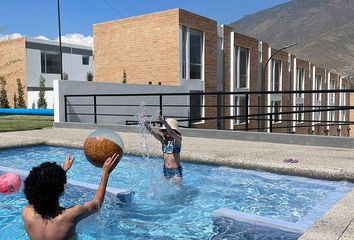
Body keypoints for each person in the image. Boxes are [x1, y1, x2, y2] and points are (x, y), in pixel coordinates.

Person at [22, 153, 120, 240]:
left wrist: (63, 171)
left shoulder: (26, 212)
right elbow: (97, 203)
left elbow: (42, 190)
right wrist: (105, 173)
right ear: (60, 190)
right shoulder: (70, 215)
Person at [144, 114, 183, 183]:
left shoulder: (177, 140)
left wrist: (163, 122)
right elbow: (153, 133)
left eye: (167, 130)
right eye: (164, 130)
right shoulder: (163, 141)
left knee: (178, 190)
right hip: (165, 170)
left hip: (176, 171)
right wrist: (146, 124)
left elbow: (172, 133)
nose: (166, 132)